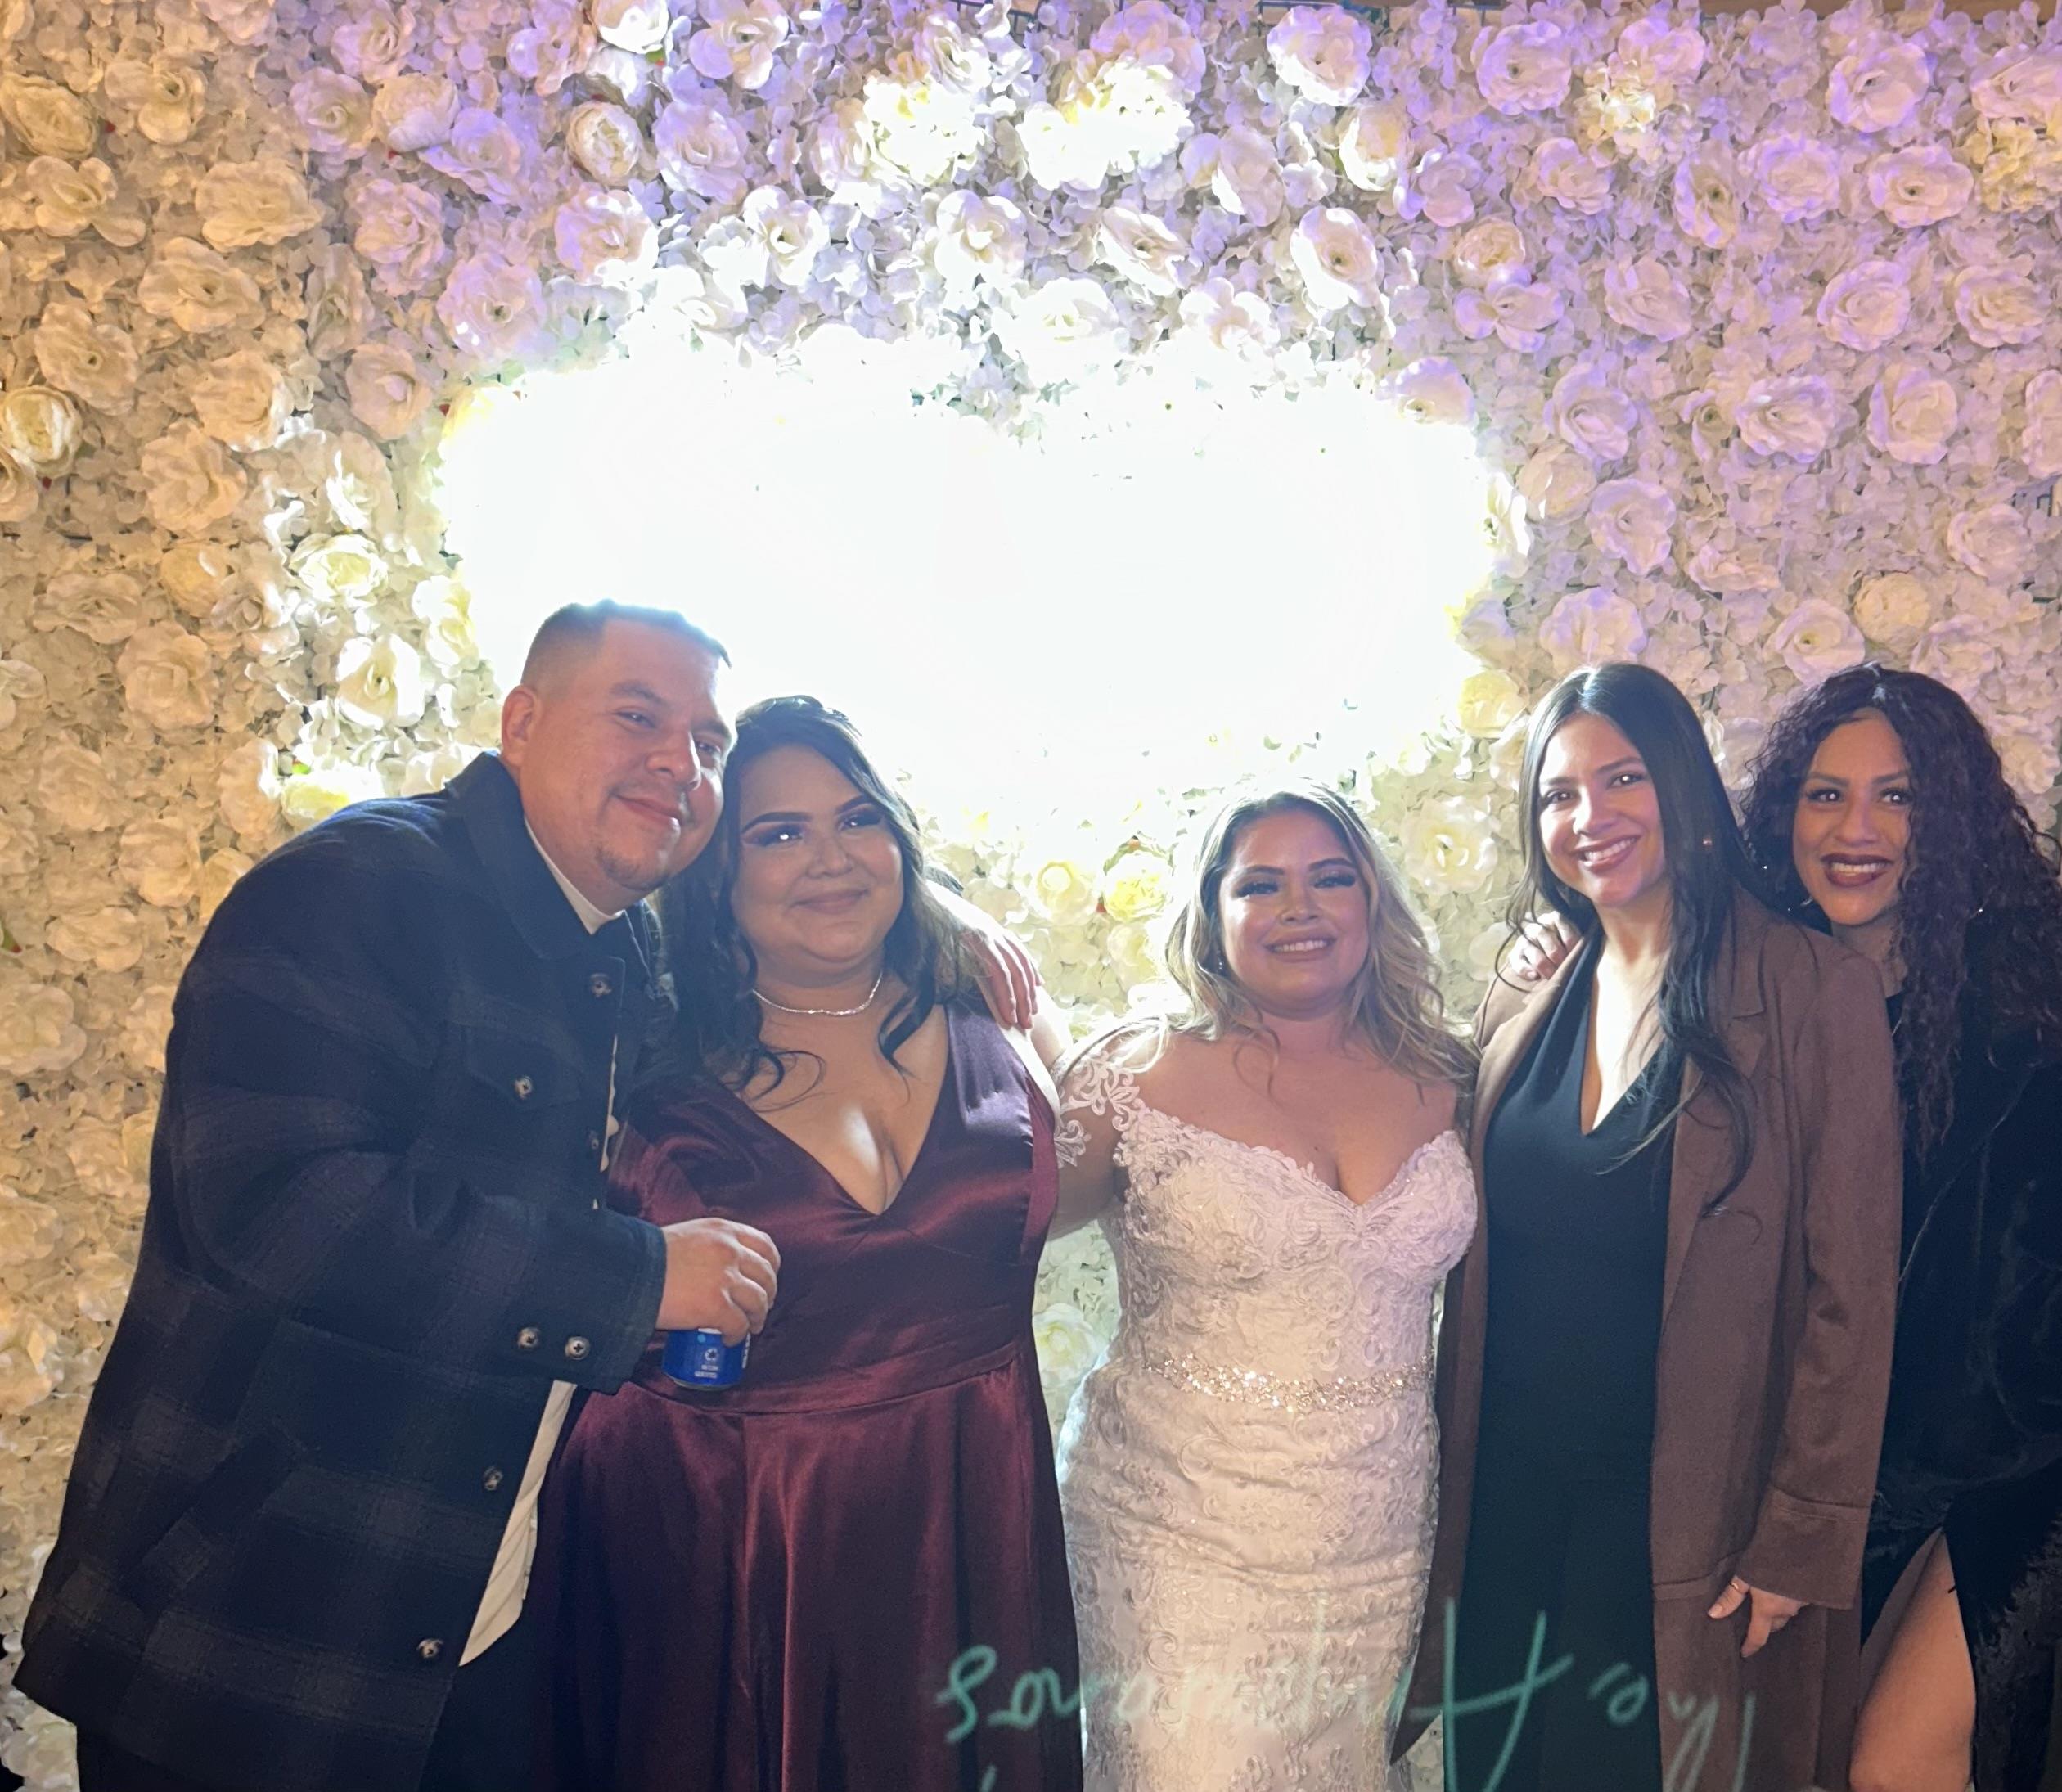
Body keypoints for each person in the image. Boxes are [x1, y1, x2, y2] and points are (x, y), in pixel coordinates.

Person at [17, 602, 784, 1792]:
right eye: (638, 715)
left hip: (475, 1624)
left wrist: (950, 946)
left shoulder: (624, 955)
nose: (680, 763)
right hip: (255, 1626)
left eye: (709, 741)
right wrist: (643, 1276)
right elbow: (280, 1207)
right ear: (520, 721)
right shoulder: (361, 887)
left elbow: (787, 974)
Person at [531, 696, 1082, 1792]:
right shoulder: (636, 1053)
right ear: (713, 870)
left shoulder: (997, 1013)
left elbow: (1110, 1155)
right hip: (722, 1545)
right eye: (777, 833)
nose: (829, 858)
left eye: (858, 819)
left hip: (973, 1501)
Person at [1400, 663, 1901, 1792]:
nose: (1591, 817)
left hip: (1682, 1526)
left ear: (1682, 782)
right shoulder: (1524, 997)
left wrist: (1799, 1538)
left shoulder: (1809, 988)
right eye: (1559, 793)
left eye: (1622, 776)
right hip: (1506, 1508)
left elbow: (1852, 1292)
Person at [1051, 779, 1476, 1787]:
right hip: (1174, 1540)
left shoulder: (1452, 1071)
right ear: (1211, 912)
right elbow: (981, 1237)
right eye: (1262, 886)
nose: (1301, 908)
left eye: (1332, 879)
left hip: (1380, 1551)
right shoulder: (1133, 1073)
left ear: (1373, 903)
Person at [1736, 666, 2062, 1792]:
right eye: (1825, 795)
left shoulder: (2034, 999)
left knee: (1891, 1764)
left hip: (2028, 1466)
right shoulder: (1763, 1006)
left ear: (1953, 817)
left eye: (1899, 796)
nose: (1856, 828)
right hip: (1865, 1476)